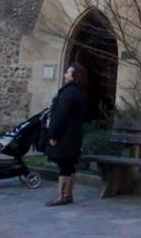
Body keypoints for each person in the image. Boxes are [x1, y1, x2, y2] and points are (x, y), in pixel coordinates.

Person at [44, 62, 87, 206]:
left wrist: (53, 135)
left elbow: (59, 115)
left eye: (68, 73)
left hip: (65, 135)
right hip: (75, 134)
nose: (65, 75)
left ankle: (62, 196)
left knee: (64, 163)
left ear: (74, 76)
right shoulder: (81, 92)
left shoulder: (68, 92)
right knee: (69, 164)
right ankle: (68, 195)